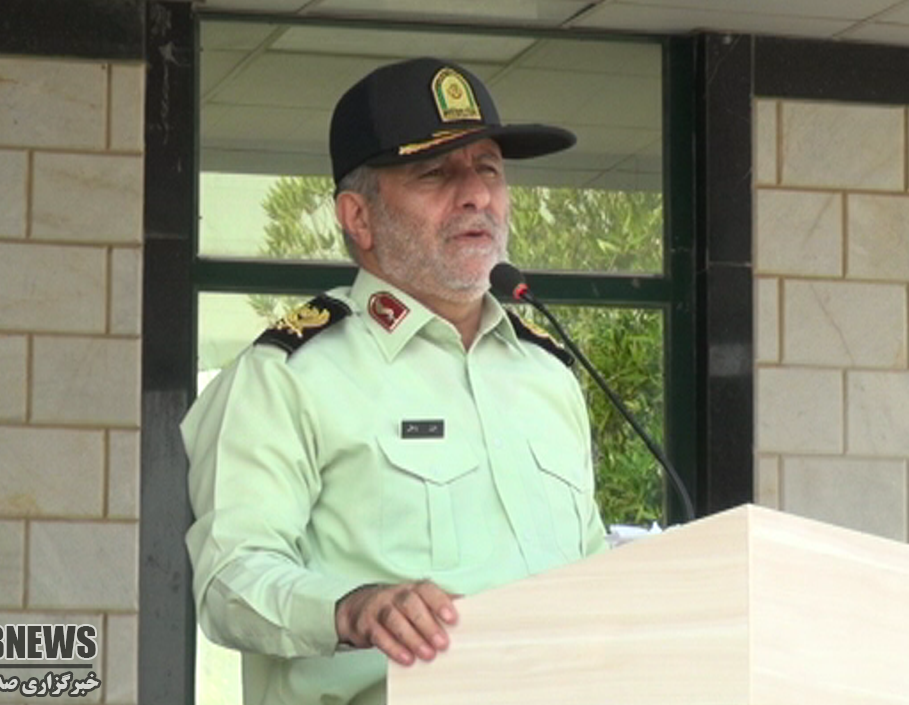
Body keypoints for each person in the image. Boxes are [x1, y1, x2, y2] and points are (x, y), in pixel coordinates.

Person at [182, 57, 609, 705]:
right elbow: (229, 583)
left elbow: (595, 577)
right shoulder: (288, 375)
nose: (476, 195)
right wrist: (352, 608)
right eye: (434, 173)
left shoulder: (548, 373)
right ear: (359, 217)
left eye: (489, 168)